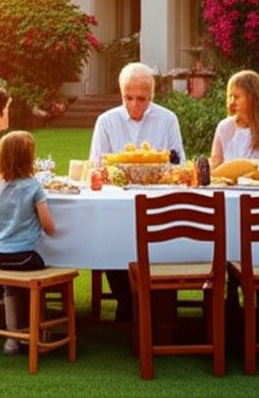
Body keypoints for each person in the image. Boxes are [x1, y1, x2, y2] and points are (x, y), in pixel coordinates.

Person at [88, 62, 186, 322]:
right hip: (117, 205)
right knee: (110, 239)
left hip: (160, 205)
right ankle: (127, 300)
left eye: (141, 99)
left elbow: (179, 165)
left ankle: (162, 302)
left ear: (151, 95)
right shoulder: (106, 121)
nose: (134, 105)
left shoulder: (167, 119)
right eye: (128, 98)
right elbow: (96, 167)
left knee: (171, 238)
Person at [0, 131, 57, 355]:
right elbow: (48, 225)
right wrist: (51, 228)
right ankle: (34, 333)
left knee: (11, 286)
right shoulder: (33, 187)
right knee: (37, 283)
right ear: (29, 159)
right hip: (25, 255)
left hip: (1, 255)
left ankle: (11, 338)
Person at [208, 70, 259, 169]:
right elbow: (215, 165)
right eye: (230, 96)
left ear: (253, 98)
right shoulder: (224, 127)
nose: (232, 102)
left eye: (236, 97)